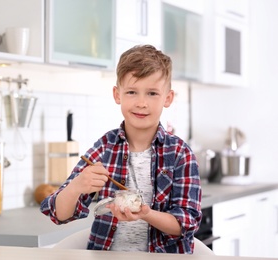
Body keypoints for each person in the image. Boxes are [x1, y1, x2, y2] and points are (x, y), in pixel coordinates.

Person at [40, 44, 202, 253]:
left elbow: (186, 224)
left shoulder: (180, 154)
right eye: (132, 92)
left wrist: (145, 213)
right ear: (118, 95)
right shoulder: (104, 148)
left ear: (168, 98)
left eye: (152, 93)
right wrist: (77, 185)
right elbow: (58, 214)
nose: (141, 103)